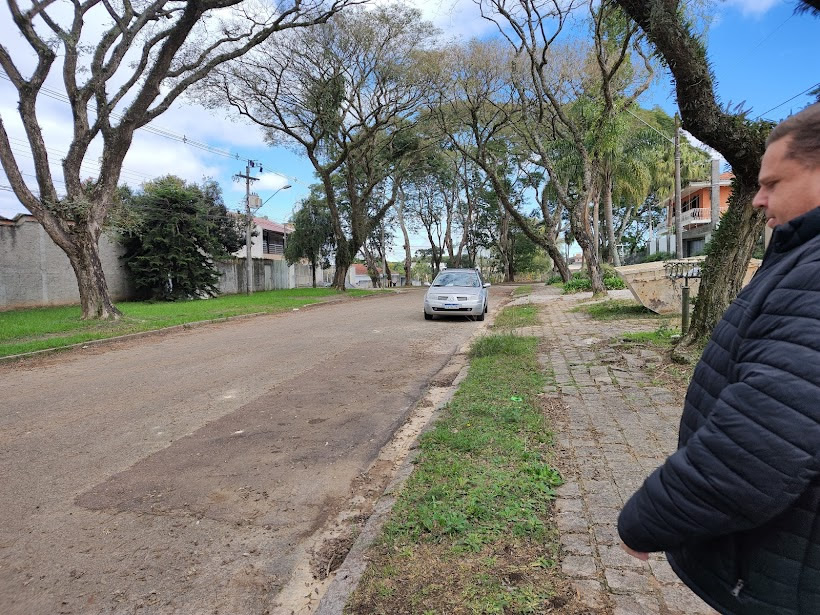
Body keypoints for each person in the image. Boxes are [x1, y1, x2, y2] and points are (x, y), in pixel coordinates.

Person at [617, 101, 820, 615]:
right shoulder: (800, 261)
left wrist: (647, 519)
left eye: (773, 183)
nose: (757, 198)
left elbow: (759, 445)